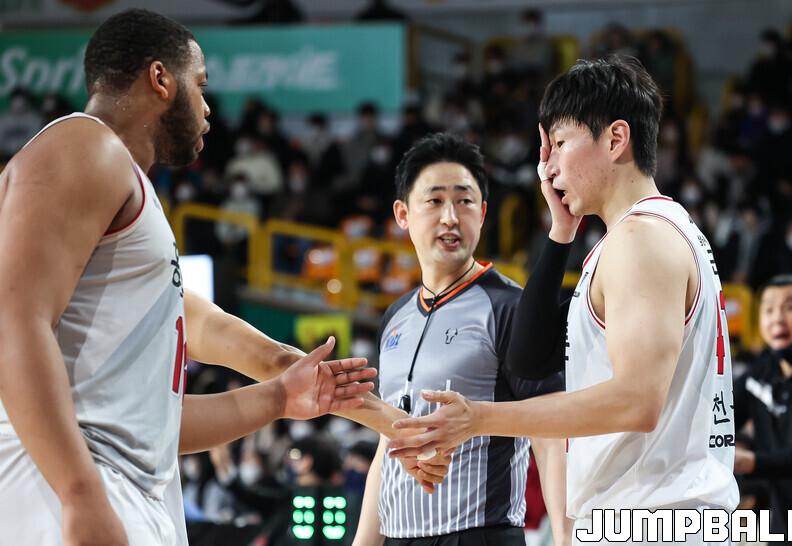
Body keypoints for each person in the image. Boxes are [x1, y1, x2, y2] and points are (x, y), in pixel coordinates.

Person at [0, 9, 381, 546]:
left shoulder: (128, 198)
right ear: (161, 79)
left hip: (120, 487)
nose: (207, 107)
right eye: (200, 85)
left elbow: (157, 423)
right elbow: (13, 320)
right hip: (62, 485)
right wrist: (78, 493)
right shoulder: (84, 145)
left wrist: (277, 396)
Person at [386, 56, 740, 544]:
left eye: (560, 144)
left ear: (615, 140)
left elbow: (637, 401)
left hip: (654, 518)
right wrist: (560, 230)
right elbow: (529, 359)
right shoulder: (640, 235)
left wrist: (479, 418)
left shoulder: (639, 241)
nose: (547, 166)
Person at [353, 133, 571, 546]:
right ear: (403, 214)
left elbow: (549, 429)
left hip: (478, 535)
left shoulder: (509, 307)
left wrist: (565, 538)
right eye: (435, 201)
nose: (450, 217)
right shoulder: (395, 317)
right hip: (399, 537)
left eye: (464, 201)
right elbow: (389, 443)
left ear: (483, 212)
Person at [733, 275, 792, 543]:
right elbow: (723, 418)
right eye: (768, 310)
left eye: (790, 307)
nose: (777, 318)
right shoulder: (761, 372)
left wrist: (745, 460)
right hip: (783, 524)